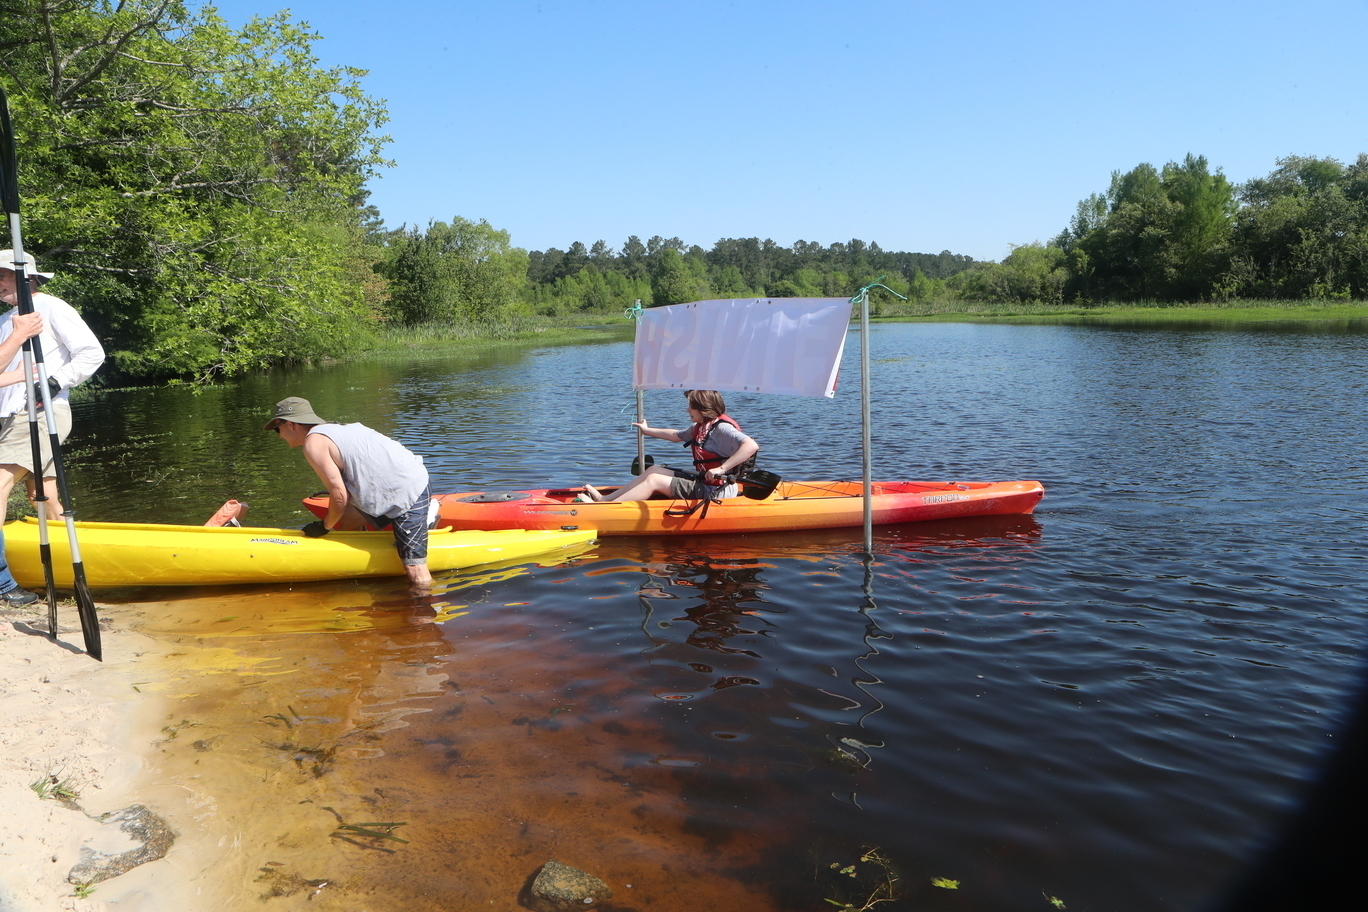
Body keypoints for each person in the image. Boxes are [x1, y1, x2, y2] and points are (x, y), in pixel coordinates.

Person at [0, 250, 105, 607]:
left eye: (1, 275)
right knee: (43, 496)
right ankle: (81, 570)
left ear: (25, 277)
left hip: (42, 412)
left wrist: (57, 382)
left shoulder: (53, 307)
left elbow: (92, 352)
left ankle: (3, 583)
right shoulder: (5, 321)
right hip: (9, 419)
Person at [265, 396, 433, 588]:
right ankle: (356, 566)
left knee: (414, 569)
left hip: (409, 490)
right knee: (348, 520)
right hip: (398, 482)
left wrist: (325, 526)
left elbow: (339, 495)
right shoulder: (332, 429)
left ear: (291, 424)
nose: (278, 435)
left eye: (277, 429)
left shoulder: (314, 443)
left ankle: (425, 609)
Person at [584, 389, 759, 503]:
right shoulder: (702, 426)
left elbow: (751, 445)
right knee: (653, 470)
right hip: (704, 481)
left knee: (654, 481)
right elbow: (675, 436)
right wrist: (647, 430)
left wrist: (721, 469)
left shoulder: (721, 428)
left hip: (717, 490)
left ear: (703, 408)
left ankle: (608, 510)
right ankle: (604, 500)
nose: (687, 410)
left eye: (691, 406)